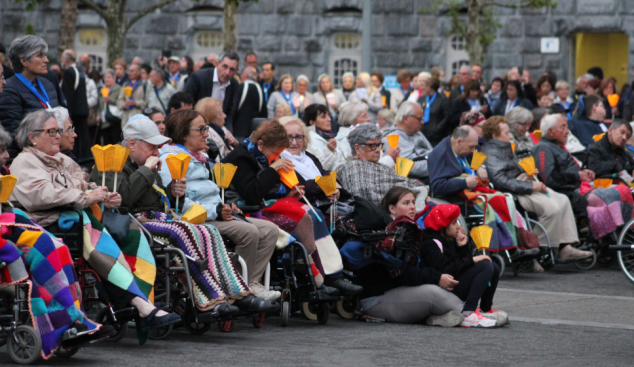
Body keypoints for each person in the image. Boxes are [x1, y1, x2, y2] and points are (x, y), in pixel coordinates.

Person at [10, 109, 181, 335]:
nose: (57, 136)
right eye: (51, 131)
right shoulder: (25, 162)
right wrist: (87, 197)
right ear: (32, 137)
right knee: (103, 248)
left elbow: (81, 184)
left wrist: (102, 194)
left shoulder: (61, 160)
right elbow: (43, 195)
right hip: (46, 225)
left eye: (58, 131)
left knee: (130, 235)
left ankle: (140, 303)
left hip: (75, 222)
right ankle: (139, 305)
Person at [221, 119, 362, 296]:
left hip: (269, 205)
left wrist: (289, 194)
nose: (277, 156)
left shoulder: (266, 155)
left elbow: (271, 190)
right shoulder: (241, 158)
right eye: (276, 152)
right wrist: (273, 169)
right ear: (261, 144)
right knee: (306, 216)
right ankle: (318, 278)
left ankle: (329, 275)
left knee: (309, 213)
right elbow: (253, 193)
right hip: (248, 209)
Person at [344, 187, 465, 326]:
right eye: (406, 203)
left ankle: (442, 316)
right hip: (377, 298)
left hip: (397, 291)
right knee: (433, 293)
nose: (412, 207)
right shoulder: (385, 234)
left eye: (413, 202)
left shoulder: (406, 230)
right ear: (392, 208)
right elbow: (405, 274)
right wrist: (436, 278)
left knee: (441, 289)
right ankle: (470, 315)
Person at [480, 116, 586, 262]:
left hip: (521, 185)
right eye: (506, 133)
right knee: (552, 208)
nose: (511, 135)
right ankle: (538, 248)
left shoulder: (502, 147)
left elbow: (510, 173)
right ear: (494, 135)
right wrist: (531, 186)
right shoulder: (491, 152)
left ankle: (565, 246)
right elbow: (500, 181)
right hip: (514, 192)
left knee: (563, 200)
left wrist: (527, 174)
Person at [533, 114, 634, 240]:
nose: (568, 131)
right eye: (563, 127)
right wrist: (577, 176)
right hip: (568, 192)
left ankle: (621, 233)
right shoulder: (543, 147)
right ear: (551, 132)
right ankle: (618, 234)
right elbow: (550, 179)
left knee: (622, 191)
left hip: (580, 187)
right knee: (617, 192)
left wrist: (584, 173)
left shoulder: (558, 147)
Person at [419, 204, 505, 328]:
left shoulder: (449, 238)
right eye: (454, 223)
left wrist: (463, 247)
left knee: (493, 266)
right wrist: (472, 259)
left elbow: (463, 265)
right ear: (444, 225)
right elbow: (445, 270)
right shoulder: (430, 243)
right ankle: (468, 312)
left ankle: (485, 309)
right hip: (443, 288)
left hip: (453, 283)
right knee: (485, 266)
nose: (458, 226)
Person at [338, 123, 427, 207]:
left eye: (378, 145)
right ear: (357, 148)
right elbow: (364, 196)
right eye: (372, 145)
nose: (377, 150)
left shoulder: (380, 166)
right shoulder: (353, 168)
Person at [0, 35, 60, 157]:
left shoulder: (47, 84)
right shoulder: (9, 89)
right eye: (40, 55)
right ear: (24, 61)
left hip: (53, 154)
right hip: (27, 158)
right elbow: (15, 133)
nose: (46, 60)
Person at [279, 116, 350, 204]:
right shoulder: (278, 161)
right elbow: (300, 188)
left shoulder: (309, 156)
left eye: (298, 137)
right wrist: (325, 184)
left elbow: (326, 174)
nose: (294, 142)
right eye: (288, 137)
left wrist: (337, 192)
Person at [428, 125, 488, 198]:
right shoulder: (439, 155)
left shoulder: (469, 145)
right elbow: (436, 186)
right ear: (459, 142)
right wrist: (464, 183)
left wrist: (480, 166)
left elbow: (479, 154)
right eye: (471, 147)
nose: (473, 150)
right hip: (458, 201)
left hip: (477, 193)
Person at [381, 101, 433, 179]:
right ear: (405, 119)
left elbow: (433, 153)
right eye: (419, 119)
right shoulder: (393, 137)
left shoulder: (417, 133)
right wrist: (438, 165)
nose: (422, 122)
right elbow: (406, 166)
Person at [184, 51, 239, 121]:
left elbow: (229, 112)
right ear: (217, 64)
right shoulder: (198, 78)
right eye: (224, 66)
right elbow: (185, 106)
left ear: (236, 71)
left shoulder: (234, 84)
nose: (227, 73)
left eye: (232, 69)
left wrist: (228, 130)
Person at [61, 49, 91, 161]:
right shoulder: (79, 70)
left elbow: (69, 95)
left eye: (62, 59)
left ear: (67, 60)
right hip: (82, 110)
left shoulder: (69, 72)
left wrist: (68, 113)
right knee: (83, 139)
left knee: (75, 140)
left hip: (75, 112)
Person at [304, 104, 346, 171]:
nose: (329, 119)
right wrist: (328, 150)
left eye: (328, 115)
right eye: (323, 117)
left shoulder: (331, 136)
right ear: (312, 122)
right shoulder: (308, 141)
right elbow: (315, 169)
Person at [229, 66, 266, 141]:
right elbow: (264, 112)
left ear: (247, 76)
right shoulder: (260, 89)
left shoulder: (241, 87)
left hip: (239, 133)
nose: (241, 76)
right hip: (255, 133)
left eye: (242, 74)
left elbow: (233, 109)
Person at [416, 77, 451, 147]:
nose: (423, 87)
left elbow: (447, 116)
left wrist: (438, 128)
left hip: (437, 136)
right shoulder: (422, 99)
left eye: (426, 86)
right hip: (423, 133)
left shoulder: (443, 99)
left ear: (431, 87)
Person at [97, 69, 123, 145]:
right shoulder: (102, 90)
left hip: (115, 120)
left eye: (109, 77)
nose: (107, 79)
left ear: (114, 79)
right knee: (106, 143)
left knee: (116, 142)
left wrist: (110, 100)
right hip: (104, 121)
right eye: (105, 77)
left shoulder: (118, 89)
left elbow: (120, 102)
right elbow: (99, 105)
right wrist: (98, 114)